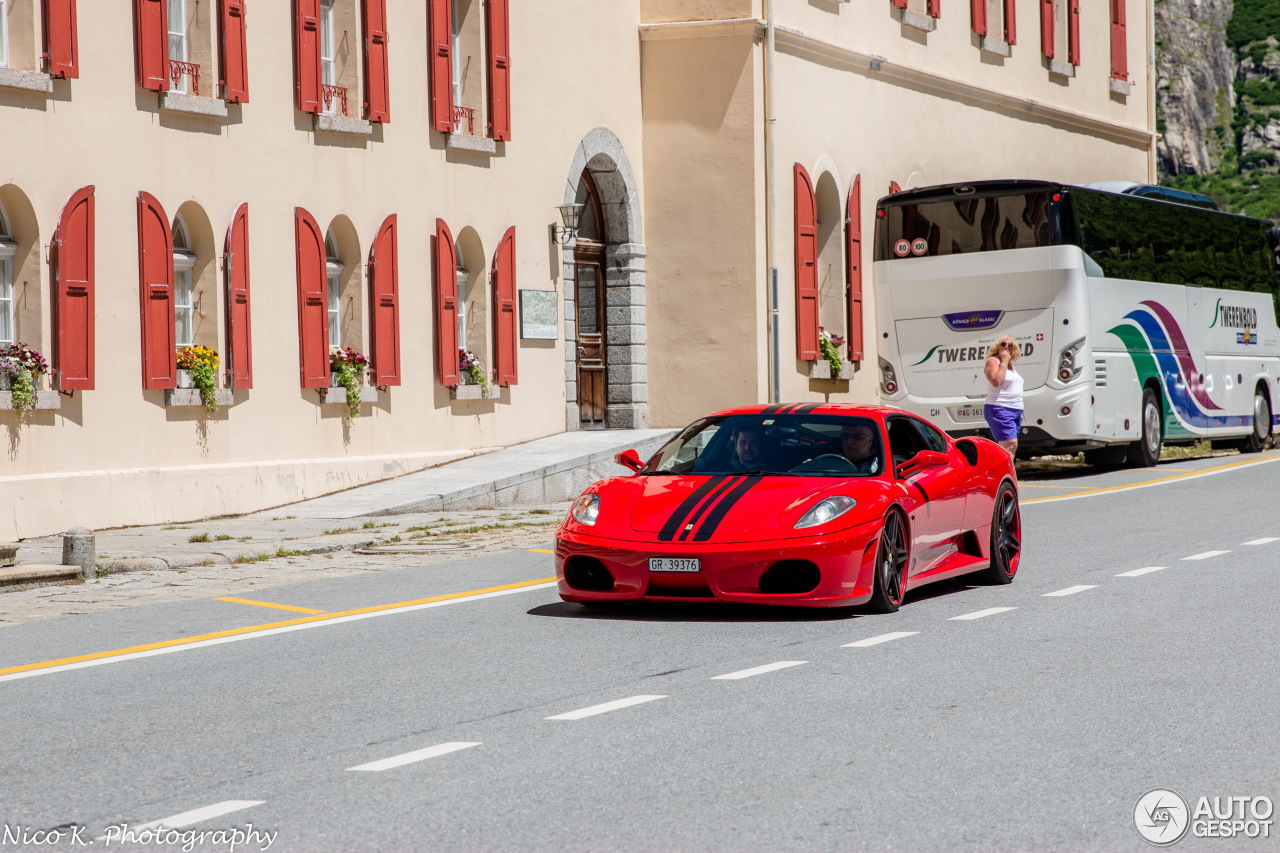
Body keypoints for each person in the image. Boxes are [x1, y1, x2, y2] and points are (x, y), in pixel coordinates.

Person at [983, 335, 1024, 457]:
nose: (1006, 347)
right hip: (1000, 407)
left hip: (1015, 409)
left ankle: (1003, 474)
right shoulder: (993, 361)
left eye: (1010, 345)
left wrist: (1006, 362)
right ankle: (1005, 475)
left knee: (1009, 447)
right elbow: (997, 381)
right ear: (997, 346)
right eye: (1003, 344)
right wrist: (1004, 361)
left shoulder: (1011, 366)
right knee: (1010, 444)